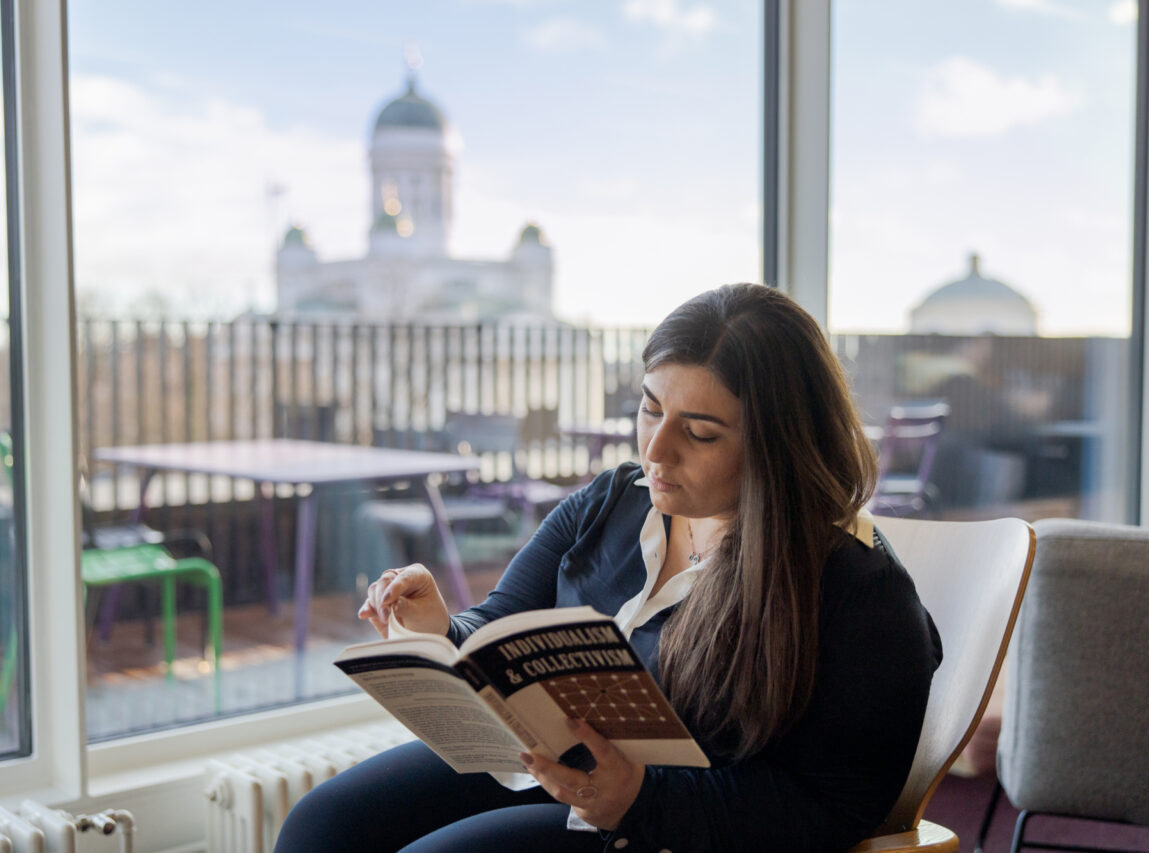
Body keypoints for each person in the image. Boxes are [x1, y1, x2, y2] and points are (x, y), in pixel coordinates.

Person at [275, 283, 943, 853]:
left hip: (668, 822)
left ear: (781, 445)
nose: (656, 449)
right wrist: (439, 628)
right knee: (319, 826)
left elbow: (833, 808)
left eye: (700, 432)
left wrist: (640, 797)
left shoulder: (859, 594)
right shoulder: (610, 503)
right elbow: (499, 629)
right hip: (542, 767)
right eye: (651, 407)